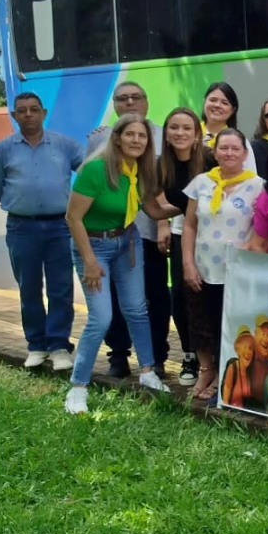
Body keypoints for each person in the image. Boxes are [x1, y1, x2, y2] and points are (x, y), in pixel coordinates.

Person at [64, 114, 174, 413]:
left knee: (137, 309)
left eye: (142, 136)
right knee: (101, 317)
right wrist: (89, 261)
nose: (137, 140)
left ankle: (148, 372)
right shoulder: (96, 170)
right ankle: (78, 387)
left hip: (128, 242)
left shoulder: (141, 171)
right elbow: (73, 218)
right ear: (117, 138)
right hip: (93, 244)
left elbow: (153, 209)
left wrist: (191, 205)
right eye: (131, 135)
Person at [0, 91, 85, 371]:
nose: (28, 114)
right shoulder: (3, 150)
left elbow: (90, 170)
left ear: (43, 113)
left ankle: (59, 346)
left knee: (61, 288)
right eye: (22, 110)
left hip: (60, 226)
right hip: (21, 227)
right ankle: (37, 346)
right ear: (15, 115)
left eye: (33, 109)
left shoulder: (65, 146)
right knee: (28, 288)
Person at [88, 81, 170, 379]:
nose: (130, 102)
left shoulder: (163, 137)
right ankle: (118, 354)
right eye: (123, 98)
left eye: (137, 97)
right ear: (115, 105)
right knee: (113, 299)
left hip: (148, 233)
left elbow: (163, 185)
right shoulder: (99, 141)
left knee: (155, 297)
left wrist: (164, 223)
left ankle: (156, 358)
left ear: (147, 102)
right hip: (108, 236)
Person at [182, 128, 265, 400]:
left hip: (236, 270)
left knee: (227, 324)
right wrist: (188, 264)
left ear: (244, 153)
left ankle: (223, 374)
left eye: (234, 148)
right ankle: (206, 369)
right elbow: (190, 226)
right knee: (200, 323)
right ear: (215, 152)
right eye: (223, 148)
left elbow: (259, 229)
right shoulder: (201, 183)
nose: (228, 153)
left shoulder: (257, 186)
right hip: (202, 267)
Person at [157, 106, 214, 386]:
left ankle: (213, 356)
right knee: (181, 295)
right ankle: (190, 353)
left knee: (211, 294)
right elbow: (156, 202)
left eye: (186, 128)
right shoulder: (162, 165)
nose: (180, 133)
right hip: (183, 234)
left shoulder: (210, 159)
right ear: (166, 134)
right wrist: (162, 221)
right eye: (174, 127)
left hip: (214, 238)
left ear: (196, 134)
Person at [202, 82, 257, 175]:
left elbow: (250, 176)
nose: (217, 105)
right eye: (213, 100)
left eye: (224, 103)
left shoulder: (239, 141)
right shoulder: (191, 134)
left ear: (233, 110)